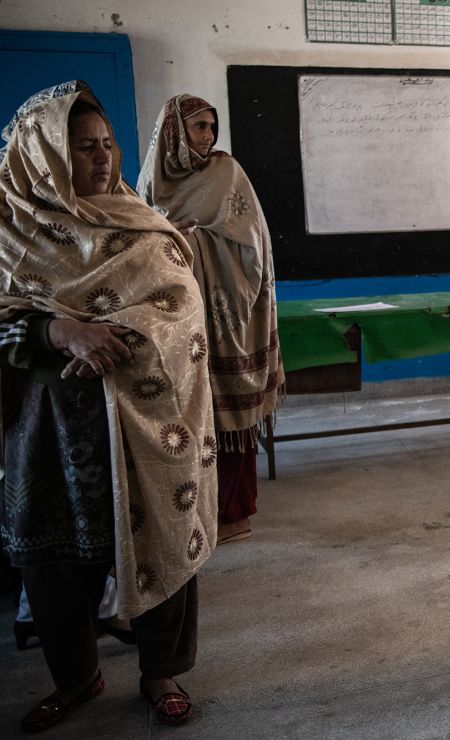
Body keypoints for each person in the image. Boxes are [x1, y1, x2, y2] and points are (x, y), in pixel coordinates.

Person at [0, 81, 216, 731]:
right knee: (54, 560)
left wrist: (132, 332)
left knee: (162, 537)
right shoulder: (9, 229)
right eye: (82, 147)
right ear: (41, 155)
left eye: (106, 145)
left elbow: (183, 312)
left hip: (144, 425)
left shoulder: (142, 226)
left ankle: (161, 671)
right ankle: (77, 677)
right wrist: (56, 330)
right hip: (46, 430)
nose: (101, 158)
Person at [138, 94, 284, 545]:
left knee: (229, 416)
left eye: (210, 127)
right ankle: (191, 512)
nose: (207, 136)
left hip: (229, 312)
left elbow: (252, 243)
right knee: (185, 415)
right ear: (172, 132)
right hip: (174, 316)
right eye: (198, 127)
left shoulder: (226, 172)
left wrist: (192, 240)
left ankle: (233, 513)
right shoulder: (149, 180)